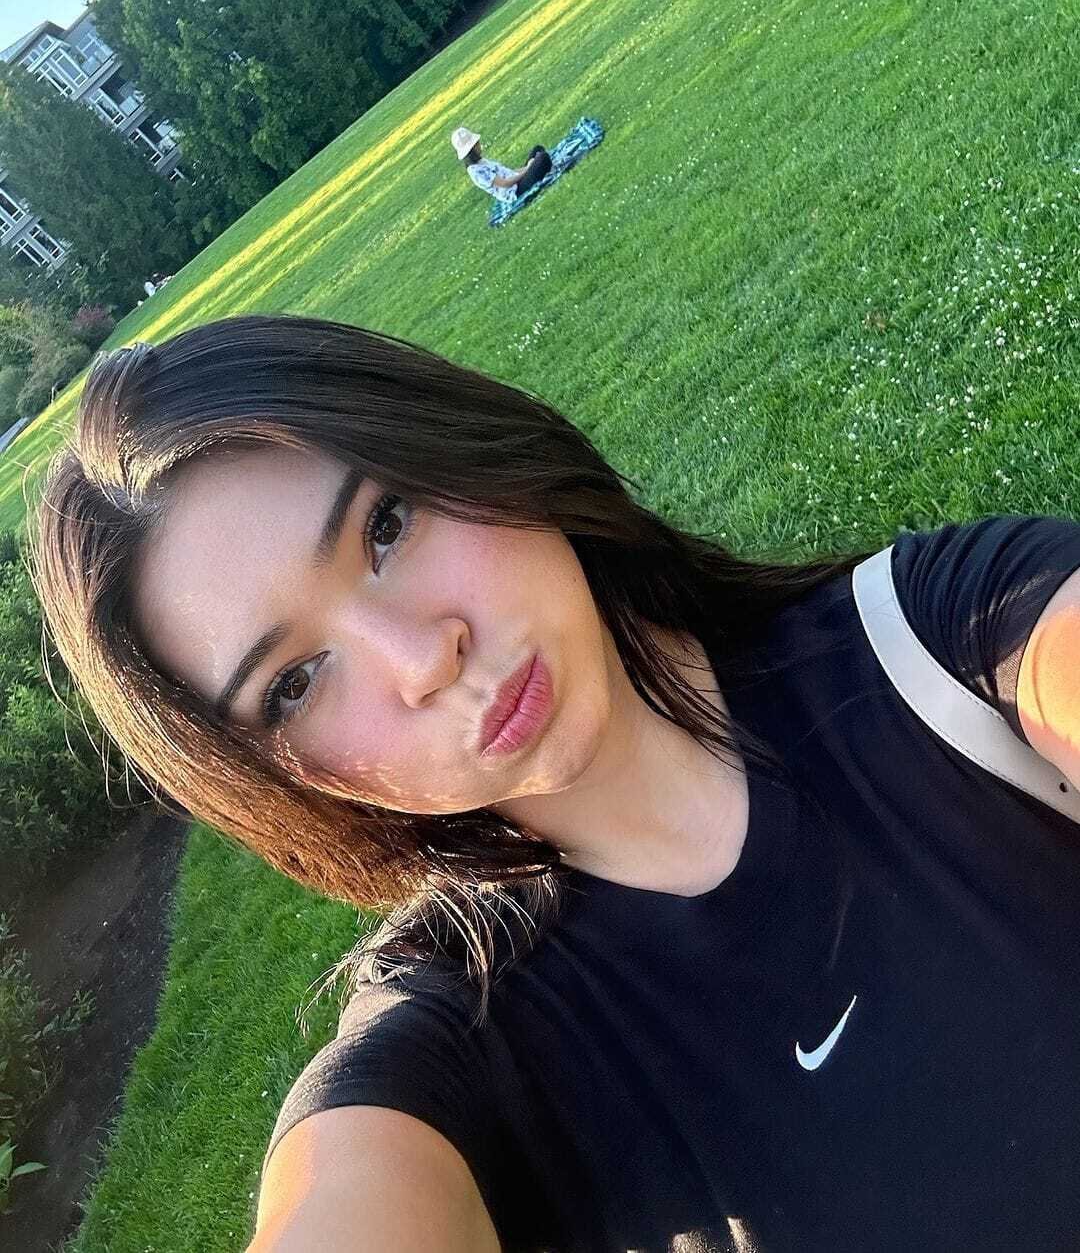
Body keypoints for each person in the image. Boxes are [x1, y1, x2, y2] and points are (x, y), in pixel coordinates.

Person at [29, 313, 1080, 1253]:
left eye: (386, 526)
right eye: (295, 684)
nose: (423, 659)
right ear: (281, 780)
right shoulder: (457, 1047)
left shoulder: (944, 643)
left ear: (462, 444)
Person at [452, 126, 553, 202]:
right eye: (477, 144)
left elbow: (509, 172)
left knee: (537, 149)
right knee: (542, 158)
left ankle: (538, 168)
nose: (479, 145)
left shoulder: (481, 161)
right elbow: (505, 184)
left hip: (515, 180)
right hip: (515, 190)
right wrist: (528, 169)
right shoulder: (476, 171)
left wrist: (526, 168)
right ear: (472, 149)